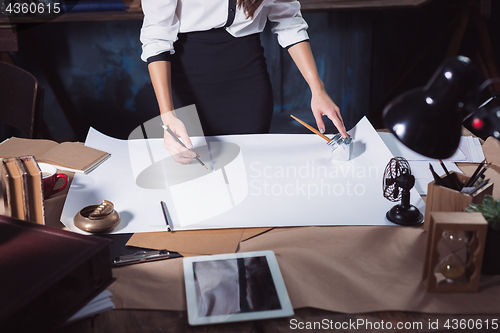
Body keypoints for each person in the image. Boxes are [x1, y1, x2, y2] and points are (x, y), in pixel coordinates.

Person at [140, 0, 348, 164]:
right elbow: (156, 38)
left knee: (250, 170)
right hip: (188, 79)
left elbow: (288, 20)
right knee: (193, 171)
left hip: (248, 80)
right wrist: (168, 117)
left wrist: (317, 89)